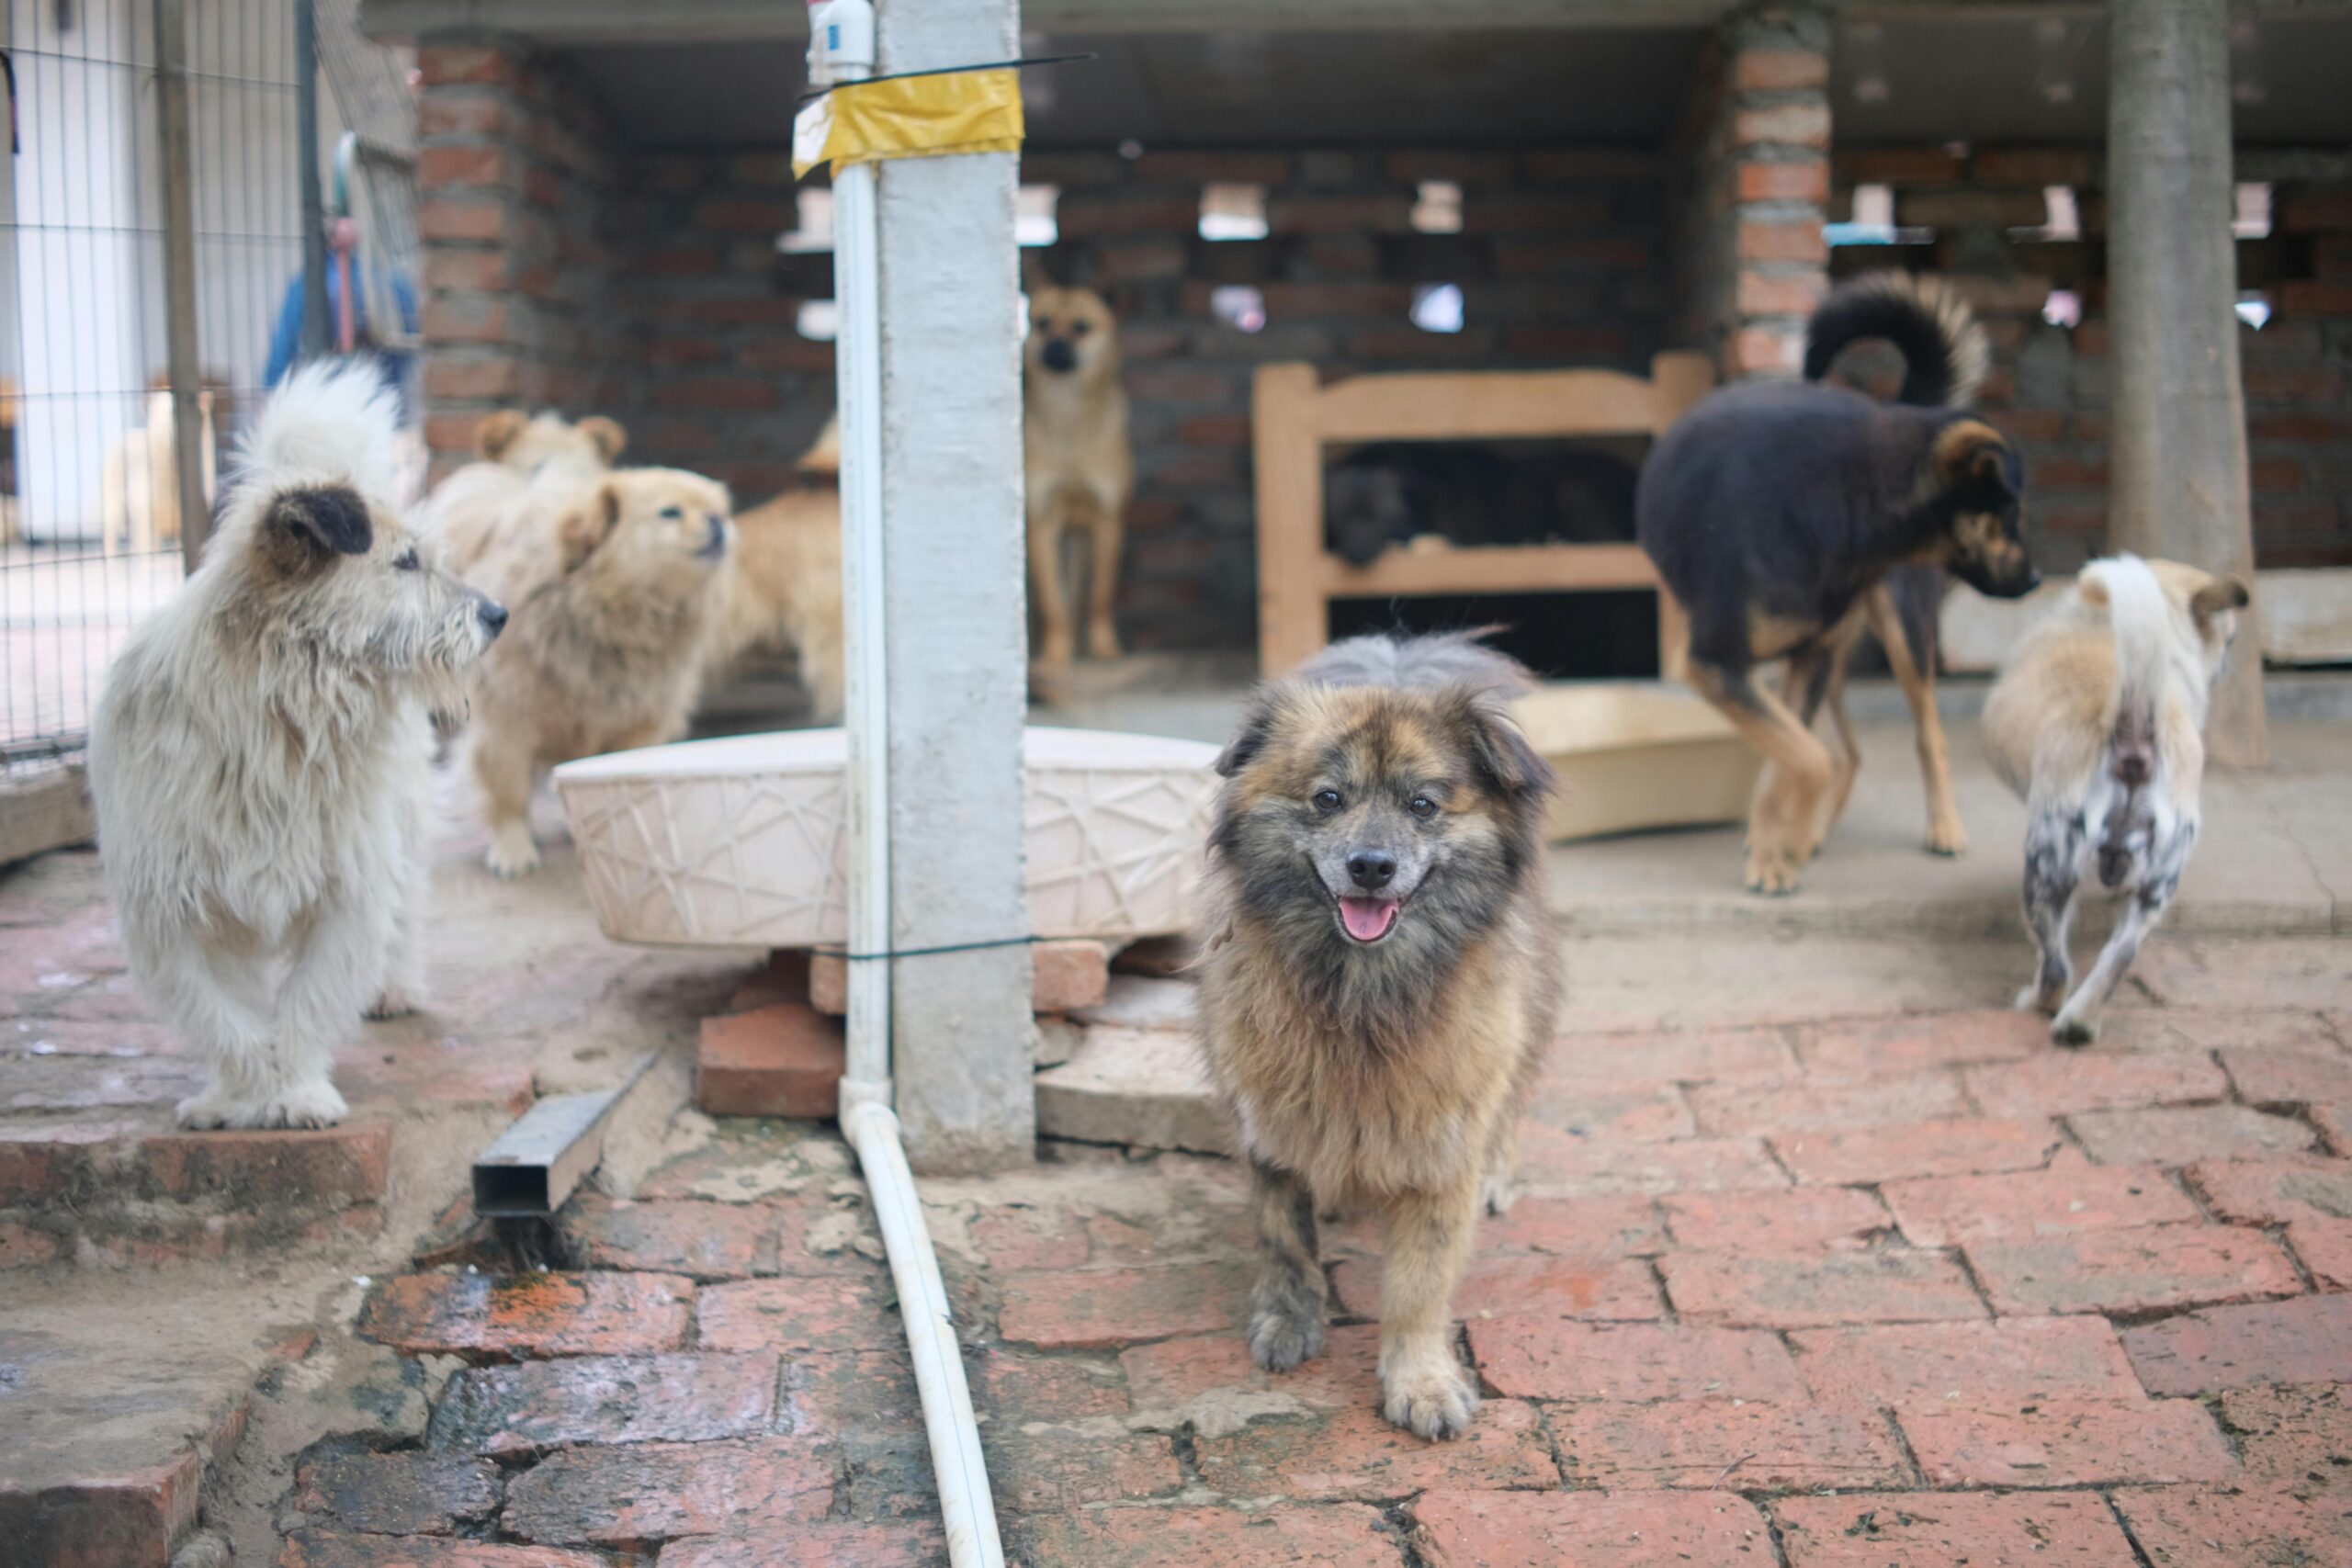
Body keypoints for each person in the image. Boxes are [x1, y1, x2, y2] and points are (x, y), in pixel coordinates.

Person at [264, 218, 420, 417]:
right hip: (382, 399)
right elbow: (406, 350)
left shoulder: (306, 285)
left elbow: (282, 351)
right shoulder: (391, 280)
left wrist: (270, 389)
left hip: (326, 396)